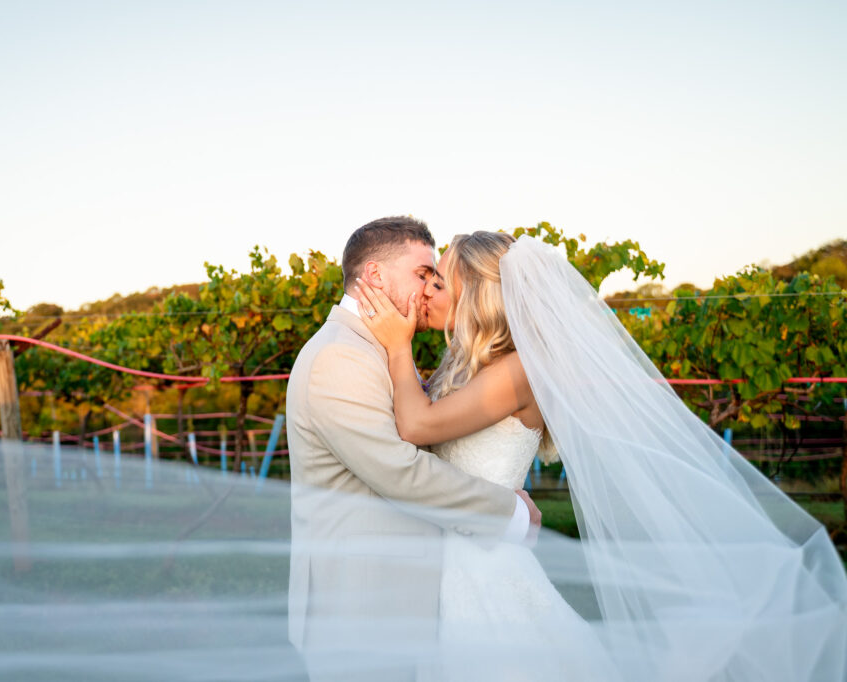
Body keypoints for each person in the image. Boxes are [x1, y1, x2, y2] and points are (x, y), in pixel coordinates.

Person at [355, 230, 847, 681]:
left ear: (476, 296)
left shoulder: (517, 371)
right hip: (457, 552)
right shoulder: (471, 365)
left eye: (441, 282)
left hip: (483, 567)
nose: (428, 292)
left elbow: (416, 426)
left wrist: (396, 347)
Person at [284, 217, 540, 681]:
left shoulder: (377, 348)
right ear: (376, 277)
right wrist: (509, 512)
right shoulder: (340, 357)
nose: (429, 290)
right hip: (361, 612)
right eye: (424, 274)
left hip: (413, 604)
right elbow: (402, 473)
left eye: (436, 280)